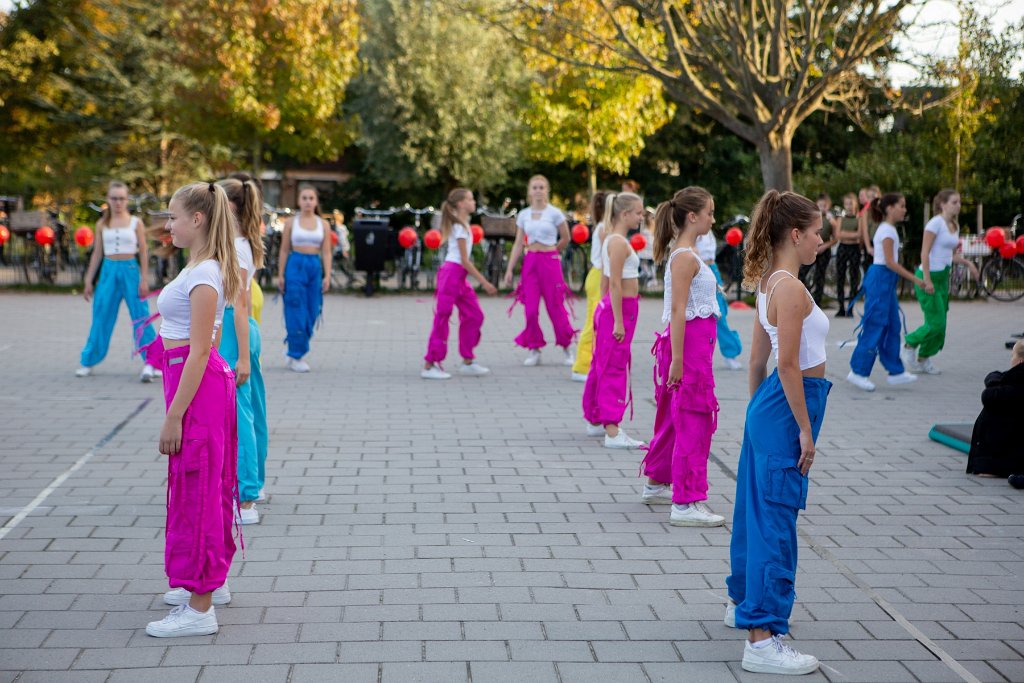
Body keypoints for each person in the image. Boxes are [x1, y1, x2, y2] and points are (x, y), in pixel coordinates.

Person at [725, 190, 830, 675]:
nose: (821, 240)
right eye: (816, 232)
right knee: (774, 518)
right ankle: (762, 637)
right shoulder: (787, 287)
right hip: (788, 405)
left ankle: (743, 603)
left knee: (756, 509)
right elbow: (785, 365)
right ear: (795, 234)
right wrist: (804, 431)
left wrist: (756, 418)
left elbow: (757, 362)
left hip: (770, 407)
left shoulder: (772, 281)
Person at [145, 181, 241, 637]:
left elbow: (202, 351)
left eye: (173, 217)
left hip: (196, 384)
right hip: (193, 381)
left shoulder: (204, 274)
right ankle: (206, 584)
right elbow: (209, 340)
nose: (169, 225)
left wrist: (174, 416)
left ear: (197, 219)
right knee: (199, 484)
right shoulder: (199, 266)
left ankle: (201, 609)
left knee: (200, 486)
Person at [640, 186, 725, 526]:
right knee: (693, 416)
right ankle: (686, 501)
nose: (713, 219)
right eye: (709, 213)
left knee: (675, 417)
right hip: (687, 348)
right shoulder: (685, 257)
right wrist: (677, 359)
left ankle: (658, 481)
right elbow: (678, 310)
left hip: (691, 346)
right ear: (693, 217)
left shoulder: (687, 253)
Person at [215, 177, 269, 525]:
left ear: (230, 206)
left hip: (237, 331)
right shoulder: (238, 242)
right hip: (243, 330)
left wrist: (243, 356)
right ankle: (255, 484)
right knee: (252, 408)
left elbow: (239, 301)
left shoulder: (234, 246)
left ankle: (246, 498)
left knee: (240, 413)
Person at [581, 191, 646, 449]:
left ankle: (596, 419)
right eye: (639, 213)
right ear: (625, 214)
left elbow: (607, 278)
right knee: (614, 364)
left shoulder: (612, 239)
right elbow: (615, 284)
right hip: (620, 309)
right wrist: (617, 319)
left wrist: (602, 306)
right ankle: (612, 429)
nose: (641, 217)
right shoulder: (618, 242)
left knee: (603, 361)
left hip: (615, 308)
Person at [76, 180, 158, 381]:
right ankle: (88, 361)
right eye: (114, 198)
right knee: (101, 315)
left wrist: (144, 279)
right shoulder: (102, 223)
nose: (118, 202)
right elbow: (97, 253)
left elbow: (144, 252)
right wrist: (89, 280)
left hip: (130, 270)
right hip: (108, 271)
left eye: (121, 198)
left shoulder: (135, 222)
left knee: (141, 316)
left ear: (127, 199)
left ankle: (152, 362)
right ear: (108, 200)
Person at [847, 193, 926, 392]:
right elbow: (890, 262)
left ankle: (896, 372)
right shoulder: (888, 231)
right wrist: (916, 278)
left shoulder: (888, 229)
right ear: (890, 208)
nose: (904, 209)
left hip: (885, 280)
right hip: (881, 278)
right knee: (875, 325)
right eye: (901, 205)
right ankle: (858, 372)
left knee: (892, 324)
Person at [422, 188, 497, 379]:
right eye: (471, 199)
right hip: (452, 274)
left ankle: (467, 360)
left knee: (474, 315)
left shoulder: (463, 224)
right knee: (442, 318)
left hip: (459, 277)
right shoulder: (460, 228)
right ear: (461, 204)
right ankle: (430, 365)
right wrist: (485, 282)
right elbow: (465, 260)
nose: (474, 203)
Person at [902, 189, 979, 375]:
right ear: (942, 204)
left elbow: (950, 255)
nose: (958, 205)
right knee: (936, 323)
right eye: (954, 202)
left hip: (943, 277)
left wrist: (969, 263)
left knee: (940, 323)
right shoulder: (934, 223)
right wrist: (926, 280)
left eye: (959, 201)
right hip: (927, 277)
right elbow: (924, 253)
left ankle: (923, 358)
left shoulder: (954, 224)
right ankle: (909, 344)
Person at [504, 175, 576, 366]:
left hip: (549, 263)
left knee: (555, 307)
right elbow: (519, 243)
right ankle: (534, 348)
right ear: (529, 191)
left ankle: (567, 347)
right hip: (530, 263)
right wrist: (510, 269)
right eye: (534, 187)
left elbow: (565, 237)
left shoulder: (554, 213)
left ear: (547, 190)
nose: (538, 190)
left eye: (541, 187)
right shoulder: (524, 214)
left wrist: (553, 252)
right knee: (530, 309)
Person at [277, 185, 332, 372]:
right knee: (295, 309)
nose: (308, 201)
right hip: (295, 266)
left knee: (312, 311)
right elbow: (284, 249)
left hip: (314, 267)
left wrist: (327, 275)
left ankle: (295, 347)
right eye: (304, 198)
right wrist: (280, 274)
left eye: (311, 198)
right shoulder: (291, 222)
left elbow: (326, 252)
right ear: (299, 201)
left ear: (316, 202)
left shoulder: (323, 224)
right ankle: (295, 354)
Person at [966, 341, 1024, 482]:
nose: (1011, 360)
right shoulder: (1011, 381)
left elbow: (988, 396)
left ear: (1020, 361)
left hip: (996, 462)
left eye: (1012, 356)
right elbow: (994, 375)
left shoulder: (1010, 390)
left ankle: (991, 464)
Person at [571, 191, 609, 382]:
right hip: (599, 276)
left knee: (600, 322)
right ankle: (581, 367)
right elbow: (607, 258)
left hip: (601, 275)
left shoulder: (606, 227)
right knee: (593, 323)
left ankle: (594, 363)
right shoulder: (604, 228)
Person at [695, 230, 743, 370]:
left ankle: (729, 353)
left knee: (721, 312)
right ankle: (727, 353)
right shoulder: (693, 231)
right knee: (711, 315)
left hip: (712, 269)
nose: (712, 217)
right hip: (700, 271)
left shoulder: (708, 230)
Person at [798, 193, 838, 305]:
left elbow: (836, 238)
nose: (822, 208)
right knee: (802, 272)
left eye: (824, 205)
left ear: (828, 206)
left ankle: (817, 302)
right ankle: (805, 296)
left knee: (819, 276)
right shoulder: (812, 218)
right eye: (820, 205)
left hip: (824, 249)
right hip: (812, 248)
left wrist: (825, 246)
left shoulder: (831, 220)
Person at [834, 192, 862, 317]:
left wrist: (846, 234)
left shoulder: (859, 219)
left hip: (854, 249)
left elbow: (860, 235)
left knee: (854, 278)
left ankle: (850, 307)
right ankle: (841, 307)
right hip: (842, 248)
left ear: (855, 204)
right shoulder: (841, 219)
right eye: (846, 204)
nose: (849, 206)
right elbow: (838, 235)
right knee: (840, 277)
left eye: (851, 203)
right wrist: (852, 235)